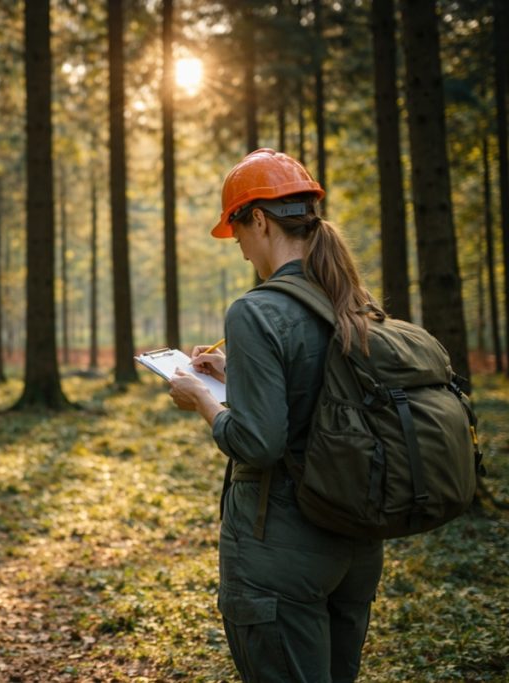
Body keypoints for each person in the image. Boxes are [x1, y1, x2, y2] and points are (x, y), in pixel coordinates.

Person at [167, 148, 384, 682]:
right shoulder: (352, 300)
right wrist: (233, 374)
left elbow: (259, 443)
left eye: (237, 231)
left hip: (282, 545)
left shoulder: (256, 309)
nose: (240, 249)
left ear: (259, 220)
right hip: (355, 541)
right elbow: (319, 396)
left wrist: (203, 400)